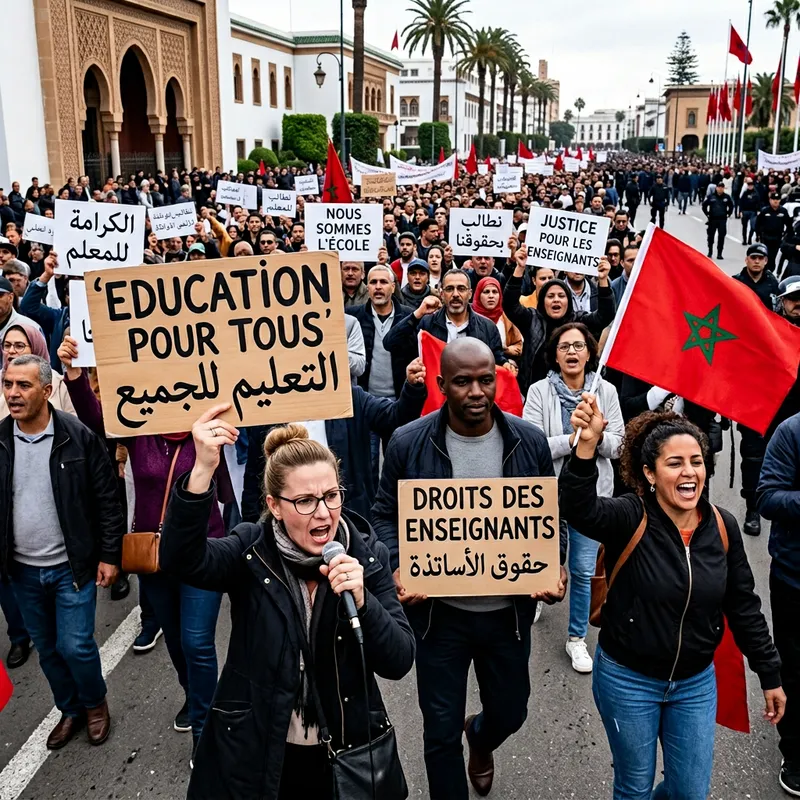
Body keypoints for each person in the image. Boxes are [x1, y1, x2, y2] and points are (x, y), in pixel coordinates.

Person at [160, 414, 415, 796]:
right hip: (263, 749)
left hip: (344, 751)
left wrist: (364, 603)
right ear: (274, 506)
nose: (324, 513)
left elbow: (399, 659)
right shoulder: (250, 551)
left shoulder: (366, 554)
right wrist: (202, 470)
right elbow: (182, 560)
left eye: (331, 496)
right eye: (305, 501)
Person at [372, 338, 566, 800]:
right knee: (439, 733)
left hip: (507, 617)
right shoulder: (407, 441)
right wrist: (398, 565)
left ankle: (479, 737)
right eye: (462, 382)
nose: (476, 391)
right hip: (440, 620)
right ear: (442, 385)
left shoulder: (529, 440)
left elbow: (548, 515)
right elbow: (383, 515)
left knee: (511, 712)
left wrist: (553, 564)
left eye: (485, 379)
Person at [561, 404, 785, 800]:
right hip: (628, 681)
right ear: (649, 474)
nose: (689, 472)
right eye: (675, 463)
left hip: (695, 684)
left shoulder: (721, 525)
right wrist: (586, 447)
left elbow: (744, 605)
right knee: (634, 789)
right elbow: (579, 508)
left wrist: (770, 673)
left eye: (697, 462)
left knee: (689, 791)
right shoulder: (631, 515)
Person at [58, 335, 233, 758]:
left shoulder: (211, 430)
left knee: (196, 642)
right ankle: (195, 698)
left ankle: (204, 730)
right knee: (174, 641)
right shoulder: (140, 425)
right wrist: (78, 377)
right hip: (155, 557)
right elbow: (98, 423)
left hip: (202, 550)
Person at [1, 354, 125, 749]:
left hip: (71, 566)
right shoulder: (1, 441)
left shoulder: (77, 437)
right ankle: (69, 709)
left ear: (47, 390)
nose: (14, 394)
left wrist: (109, 555)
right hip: (22, 571)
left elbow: (108, 500)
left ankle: (94, 705)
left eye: (24, 385)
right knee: (50, 650)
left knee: (76, 645)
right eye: (8, 385)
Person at [523, 323, 623, 673]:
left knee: (582, 570)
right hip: (546, 494)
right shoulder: (538, 391)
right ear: (554, 354)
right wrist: (572, 440)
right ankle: (537, 597)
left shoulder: (605, 391)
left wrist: (594, 438)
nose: (572, 352)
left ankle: (576, 638)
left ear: (589, 352)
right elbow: (532, 444)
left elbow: (619, 444)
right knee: (541, 560)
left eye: (579, 345)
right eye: (564, 346)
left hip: (589, 497)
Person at [242, 358, 427, 524]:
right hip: (291, 524)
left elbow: (394, 419)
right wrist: (252, 533)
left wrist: (412, 387)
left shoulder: (349, 398)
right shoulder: (268, 407)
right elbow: (255, 477)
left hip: (350, 518)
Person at [504, 247, 615, 395]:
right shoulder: (532, 319)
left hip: (576, 395)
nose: (556, 299)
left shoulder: (579, 321)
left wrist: (602, 280)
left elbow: (605, 315)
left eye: (561, 296)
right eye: (550, 296)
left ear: (568, 301)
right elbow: (510, 305)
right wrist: (520, 268)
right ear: (542, 301)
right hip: (536, 395)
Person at [758, 411, 800, 796]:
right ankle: (796, 751)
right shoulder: (792, 432)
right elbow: (768, 496)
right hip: (795, 577)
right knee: (796, 664)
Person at [732, 243, 781, 536]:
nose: (757, 262)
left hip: (781, 399)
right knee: (752, 455)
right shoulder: (736, 285)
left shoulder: (775, 287)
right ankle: (753, 506)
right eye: (754, 257)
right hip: (749, 387)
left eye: (762, 257)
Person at [384, 268, 514, 372]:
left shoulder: (488, 327)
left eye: (461, 289)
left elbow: (496, 359)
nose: (456, 294)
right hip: (435, 398)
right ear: (441, 294)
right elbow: (390, 343)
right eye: (450, 289)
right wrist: (418, 313)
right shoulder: (427, 324)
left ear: (470, 294)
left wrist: (506, 364)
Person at [471, 276, 523, 363]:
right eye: (486, 292)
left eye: (495, 292)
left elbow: (519, 345)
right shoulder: (468, 316)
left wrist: (507, 350)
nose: (491, 296)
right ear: (478, 294)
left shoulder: (508, 317)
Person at [756, 193, 791, 273]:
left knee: (773, 256)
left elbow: (789, 225)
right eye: (774, 199)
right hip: (766, 238)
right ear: (770, 200)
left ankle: (770, 271)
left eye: (777, 200)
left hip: (777, 238)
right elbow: (758, 223)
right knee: (766, 255)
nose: (775, 201)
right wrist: (758, 235)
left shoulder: (783, 211)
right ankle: (765, 271)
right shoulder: (765, 211)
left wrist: (787, 236)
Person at [702, 181, 734, 260]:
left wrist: (728, 214)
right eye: (719, 187)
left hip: (722, 220)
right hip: (712, 219)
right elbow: (704, 206)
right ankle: (710, 251)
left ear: (723, 188)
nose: (720, 189)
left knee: (721, 237)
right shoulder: (711, 196)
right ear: (716, 188)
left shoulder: (727, 197)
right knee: (711, 236)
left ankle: (719, 253)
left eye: (722, 187)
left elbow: (731, 206)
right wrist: (707, 214)